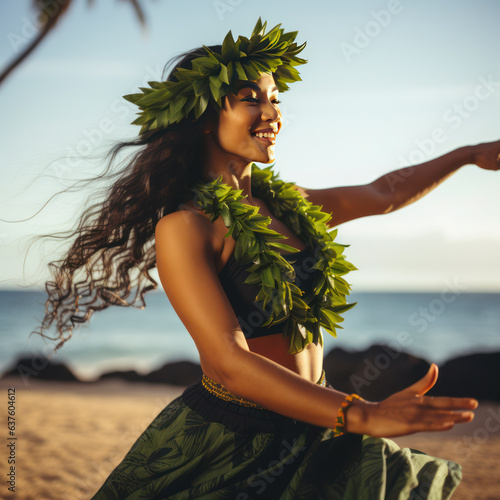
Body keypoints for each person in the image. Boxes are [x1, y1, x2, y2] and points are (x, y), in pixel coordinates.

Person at [34, 19, 498, 499]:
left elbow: (382, 193)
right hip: (238, 439)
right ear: (204, 115)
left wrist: (465, 154)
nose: (272, 111)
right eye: (251, 97)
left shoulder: (289, 205)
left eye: (276, 97)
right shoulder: (186, 227)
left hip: (318, 417)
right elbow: (229, 359)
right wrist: (361, 413)